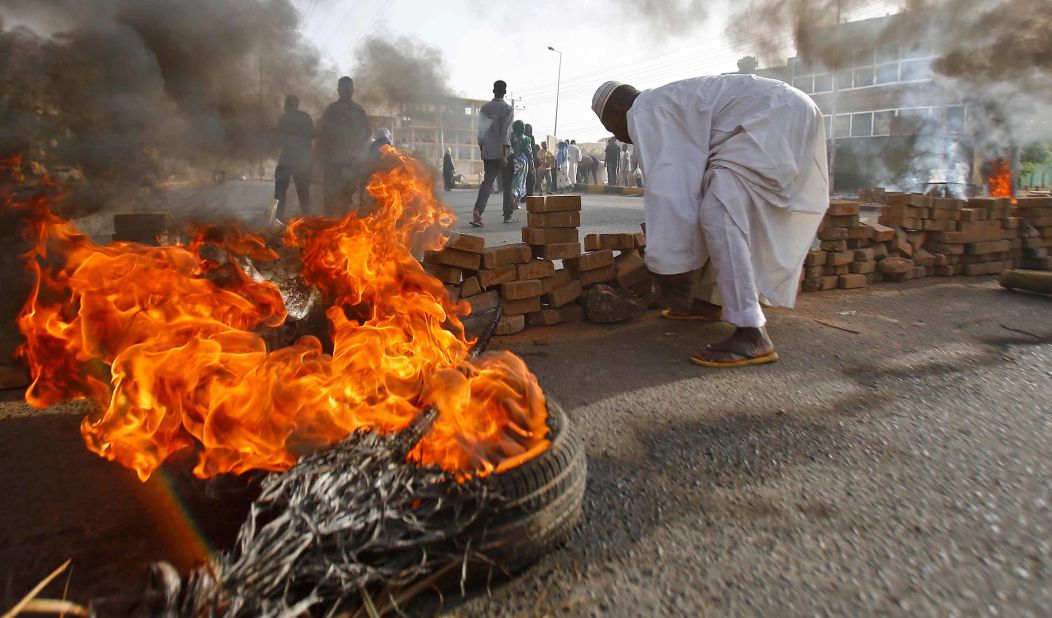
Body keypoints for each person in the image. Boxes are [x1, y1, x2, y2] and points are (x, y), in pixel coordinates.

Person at [591, 75, 828, 367]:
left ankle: (752, 333)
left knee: (719, 210)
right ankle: (709, 301)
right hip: (786, 110)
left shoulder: (643, 111)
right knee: (713, 197)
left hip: (773, 117)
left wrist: (670, 268)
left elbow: (669, 190)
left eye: (610, 129)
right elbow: (688, 187)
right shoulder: (665, 102)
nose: (618, 137)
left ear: (615, 112)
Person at [317, 76, 372, 216]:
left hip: (336, 161)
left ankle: (335, 225)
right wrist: (358, 147)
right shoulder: (358, 111)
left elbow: (321, 135)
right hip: (349, 160)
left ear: (338, 90)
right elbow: (368, 132)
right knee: (348, 196)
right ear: (351, 91)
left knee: (334, 196)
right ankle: (342, 226)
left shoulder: (331, 110)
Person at [471, 80, 515, 227]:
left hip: (488, 152)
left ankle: (478, 211)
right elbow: (505, 134)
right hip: (502, 152)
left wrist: (483, 149)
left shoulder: (484, 109)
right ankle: (507, 215)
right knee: (508, 184)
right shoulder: (507, 109)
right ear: (505, 92)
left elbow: (480, 133)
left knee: (487, 183)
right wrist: (504, 156)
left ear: (493, 91)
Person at [273, 95, 314, 220]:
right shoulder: (305, 117)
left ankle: (277, 219)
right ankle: (307, 218)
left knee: (280, 191)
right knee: (303, 191)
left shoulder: (284, 119)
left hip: (288, 159)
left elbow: (278, 141)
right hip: (301, 159)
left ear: (287, 105)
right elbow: (313, 134)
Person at [509, 120, 532, 202]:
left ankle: (512, 195)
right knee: (521, 181)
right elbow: (529, 153)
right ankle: (516, 201)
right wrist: (532, 164)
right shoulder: (527, 139)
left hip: (511, 161)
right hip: (523, 162)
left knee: (513, 180)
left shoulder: (510, 137)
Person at [524, 123, 537, 199]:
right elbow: (533, 149)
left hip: (522, 160)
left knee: (524, 178)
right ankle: (530, 194)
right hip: (530, 159)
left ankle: (525, 194)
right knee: (531, 178)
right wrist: (535, 159)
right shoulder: (531, 137)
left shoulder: (520, 137)